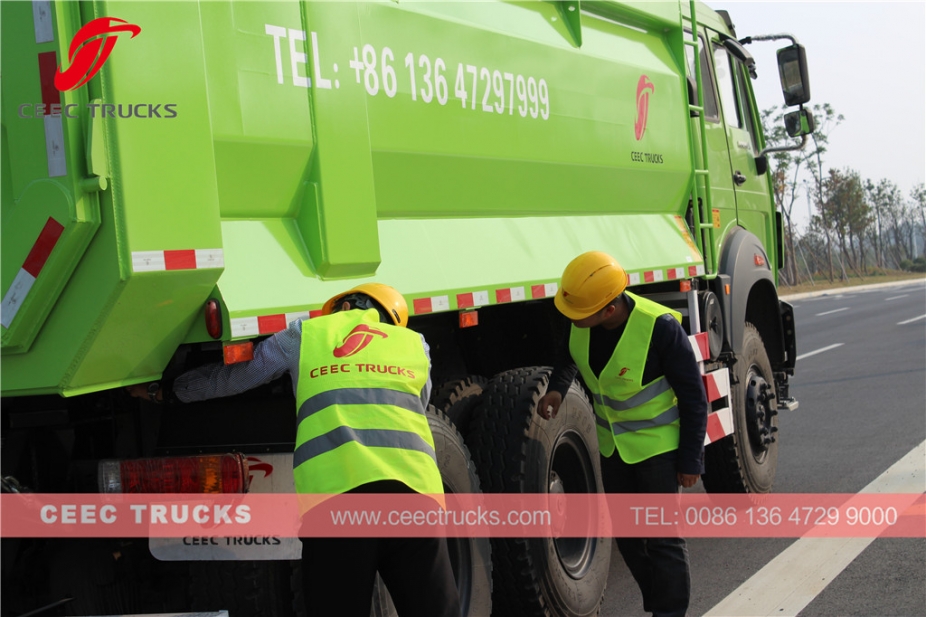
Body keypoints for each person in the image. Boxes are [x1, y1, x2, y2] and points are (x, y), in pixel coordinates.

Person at [129, 283, 460, 617]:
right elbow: (420, 402)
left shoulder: (306, 333)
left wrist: (167, 391)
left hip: (337, 503)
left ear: (343, 307)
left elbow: (239, 375)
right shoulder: (415, 345)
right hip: (416, 501)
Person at [537, 251, 707, 617]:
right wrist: (556, 387)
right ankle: (660, 602)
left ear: (609, 310)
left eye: (578, 314)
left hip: (658, 450)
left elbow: (695, 397)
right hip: (614, 451)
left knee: (662, 539)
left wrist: (691, 459)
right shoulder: (581, 319)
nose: (570, 319)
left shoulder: (659, 328)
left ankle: (669, 612)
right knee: (630, 538)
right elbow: (569, 357)